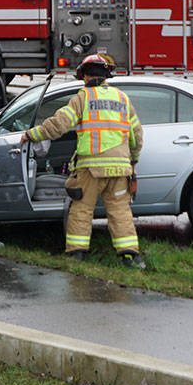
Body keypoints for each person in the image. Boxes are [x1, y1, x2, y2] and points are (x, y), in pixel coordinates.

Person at [21, 53, 145, 269]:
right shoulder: (123, 99)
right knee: (120, 211)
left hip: (91, 170)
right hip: (120, 169)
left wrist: (32, 135)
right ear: (106, 75)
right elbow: (137, 135)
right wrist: (133, 161)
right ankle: (129, 256)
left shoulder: (83, 98)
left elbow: (59, 125)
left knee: (81, 210)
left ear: (85, 76)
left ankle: (76, 255)